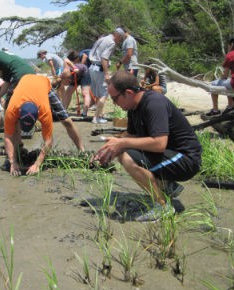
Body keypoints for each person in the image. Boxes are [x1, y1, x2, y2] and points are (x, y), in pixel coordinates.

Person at [93, 71, 202, 222]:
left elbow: (159, 143)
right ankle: (167, 186)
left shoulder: (153, 103)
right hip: (169, 154)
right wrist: (112, 145)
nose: (114, 102)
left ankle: (162, 206)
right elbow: (131, 136)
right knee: (121, 150)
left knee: (126, 156)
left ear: (129, 93)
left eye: (114, 98)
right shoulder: (133, 107)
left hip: (186, 159)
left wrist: (122, 143)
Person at [89, 27, 125, 124]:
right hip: (99, 69)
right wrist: (107, 73)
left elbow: (93, 51)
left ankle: (99, 115)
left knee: (98, 94)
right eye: (121, 38)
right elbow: (104, 58)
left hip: (92, 67)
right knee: (104, 94)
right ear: (117, 35)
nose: (120, 41)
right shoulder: (111, 42)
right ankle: (96, 118)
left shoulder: (102, 38)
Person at [62, 50, 91, 117]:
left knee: (85, 93)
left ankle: (84, 113)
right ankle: (64, 110)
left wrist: (74, 67)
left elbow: (65, 59)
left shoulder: (66, 66)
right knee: (68, 92)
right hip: (74, 76)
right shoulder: (64, 73)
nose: (66, 83)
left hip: (84, 73)